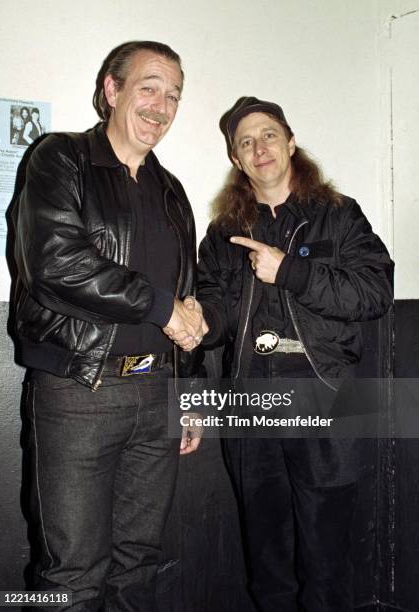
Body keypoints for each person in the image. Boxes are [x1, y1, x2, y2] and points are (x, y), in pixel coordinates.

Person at [11, 41, 207, 611]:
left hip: (157, 395)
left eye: (173, 95)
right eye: (148, 87)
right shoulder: (60, 159)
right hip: (79, 392)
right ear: (112, 90)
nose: (162, 105)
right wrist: (161, 307)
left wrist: (189, 390)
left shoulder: (173, 192)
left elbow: (186, 299)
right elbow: (54, 264)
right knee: (72, 575)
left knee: (141, 566)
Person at [177, 97, 393, 611]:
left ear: (291, 142)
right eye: (246, 141)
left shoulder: (339, 216)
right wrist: (198, 322)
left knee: (327, 562)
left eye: (269, 134)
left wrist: (291, 272)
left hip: (326, 402)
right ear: (236, 159)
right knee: (267, 559)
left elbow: (375, 293)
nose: (260, 147)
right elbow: (219, 314)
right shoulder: (222, 234)